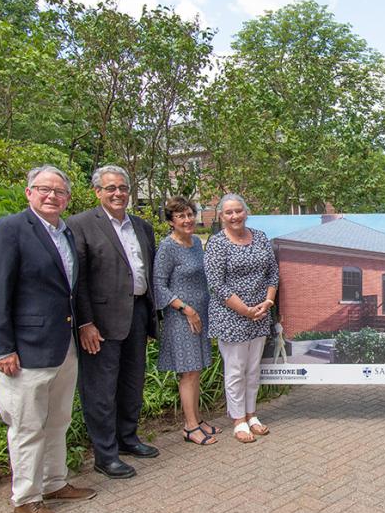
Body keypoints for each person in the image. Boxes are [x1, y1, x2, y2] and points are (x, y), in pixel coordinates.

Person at [0, 166, 96, 513]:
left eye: (59, 192)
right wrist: (0, 349)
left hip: (62, 346)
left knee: (58, 420)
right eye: (44, 189)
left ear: (68, 198)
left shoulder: (65, 233)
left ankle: (55, 482)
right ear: (29, 192)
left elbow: (70, 289)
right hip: (24, 351)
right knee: (27, 426)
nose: (52, 196)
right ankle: (26, 497)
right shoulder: (10, 230)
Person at [68, 165, 159, 480]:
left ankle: (127, 439)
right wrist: (85, 323)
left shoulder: (142, 226)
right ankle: (105, 455)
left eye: (122, 187)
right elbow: (76, 281)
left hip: (137, 314)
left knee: (132, 383)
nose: (118, 193)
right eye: (110, 188)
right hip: (100, 323)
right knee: (100, 389)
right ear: (97, 192)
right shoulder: (79, 225)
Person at [204, 194, 278, 444]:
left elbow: (272, 272)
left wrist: (267, 302)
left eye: (238, 211)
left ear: (246, 212)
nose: (234, 216)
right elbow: (216, 284)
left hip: (260, 313)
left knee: (253, 368)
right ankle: (238, 420)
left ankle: (252, 414)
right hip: (231, 315)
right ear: (221, 216)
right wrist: (245, 310)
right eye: (228, 213)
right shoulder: (216, 243)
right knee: (235, 370)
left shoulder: (260, 237)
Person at [153, 197, 218, 446]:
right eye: (181, 216)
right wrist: (185, 309)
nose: (188, 220)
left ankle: (198, 420)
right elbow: (158, 285)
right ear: (171, 221)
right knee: (188, 372)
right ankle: (190, 428)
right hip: (182, 317)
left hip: (200, 314)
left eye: (190, 214)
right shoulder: (168, 247)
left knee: (196, 369)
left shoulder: (195, 244)